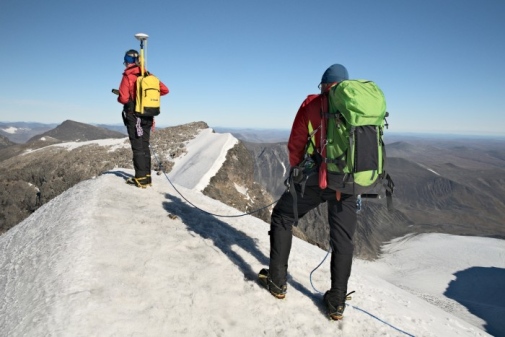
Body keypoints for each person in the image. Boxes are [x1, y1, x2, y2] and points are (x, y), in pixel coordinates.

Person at [259, 64, 357, 320]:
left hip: (314, 180)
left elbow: (297, 143)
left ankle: (277, 282)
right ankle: (336, 303)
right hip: (347, 184)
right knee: (343, 241)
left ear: (324, 85)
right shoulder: (356, 107)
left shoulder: (312, 106)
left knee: (282, 217)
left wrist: (297, 168)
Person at [117, 49, 169, 187]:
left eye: (126, 61)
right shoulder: (147, 75)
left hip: (135, 116)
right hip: (148, 115)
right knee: (145, 146)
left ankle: (140, 179)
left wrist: (123, 97)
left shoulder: (127, 76)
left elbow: (123, 98)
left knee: (137, 147)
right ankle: (147, 177)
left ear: (127, 61)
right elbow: (164, 90)